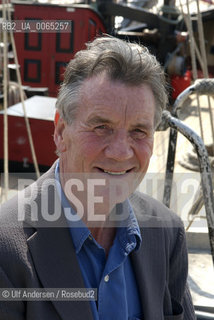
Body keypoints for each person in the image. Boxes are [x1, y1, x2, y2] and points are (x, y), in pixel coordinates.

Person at [0, 36, 196, 320]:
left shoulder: (167, 234)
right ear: (60, 132)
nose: (120, 152)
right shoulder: (6, 251)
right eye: (102, 126)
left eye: (138, 131)